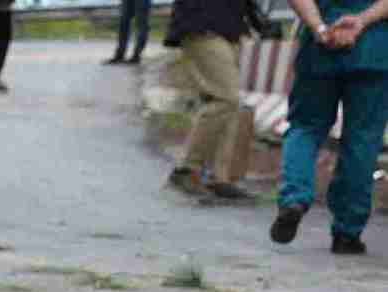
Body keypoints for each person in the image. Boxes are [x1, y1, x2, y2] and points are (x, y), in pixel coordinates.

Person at [270, 0, 388, 254]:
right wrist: (361, 21)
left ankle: (294, 199)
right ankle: (347, 232)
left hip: (321, 47)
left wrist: (319, 28)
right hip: (375, 48)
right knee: (362, 139)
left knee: (305, 127)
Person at [162, 0, 264, 199]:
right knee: (227, 99)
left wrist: (258, 22)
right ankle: (186, 169)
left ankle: (220, 178)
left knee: (229, 103)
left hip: (229, 26)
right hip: (201, 25)